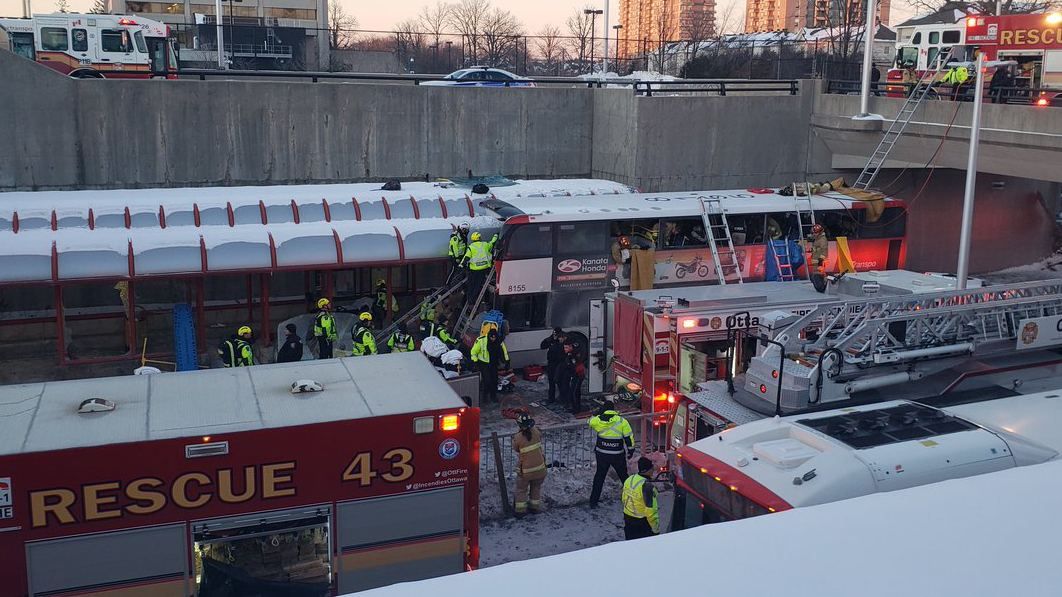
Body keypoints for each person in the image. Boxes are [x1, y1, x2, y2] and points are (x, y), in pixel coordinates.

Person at [588, 400, 634, 508]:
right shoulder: (622, 421)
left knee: (599, 477)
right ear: (613, 409)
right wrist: (630, 450)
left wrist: (596, 413)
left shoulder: (598, 420)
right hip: (617, 454)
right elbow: (629, 437)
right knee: (624, 476)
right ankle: (632, 499)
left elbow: (590, 421)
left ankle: (593, 502)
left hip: (602, 454)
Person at [512, 414, 547, 516]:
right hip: (540, 468)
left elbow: (516, 448)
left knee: (521, 490)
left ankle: (520, 511)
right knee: (536, 488)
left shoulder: (518, 437)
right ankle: (534, 508)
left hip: (526, 471)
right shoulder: (536, 432)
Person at [621, 457, 659, 540]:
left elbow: (624, 498)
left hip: (628, 518)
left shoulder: (630, 479)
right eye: (652, 468)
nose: (653, 470)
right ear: (647, 470)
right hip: (641, 523)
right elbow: (651, 512)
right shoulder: (647, 487)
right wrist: (656, 530)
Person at [471, 328, 508, 404]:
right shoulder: (481, 340)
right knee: (487, 381)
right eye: (491, 337)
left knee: (494, 380)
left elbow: (504, 352)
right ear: (489, 336)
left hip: (493, 364)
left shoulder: (499, 341)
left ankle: (493, 396)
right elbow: (473, 352)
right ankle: (485, 396)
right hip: (483, 363)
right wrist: (475, 361)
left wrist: (507, 361)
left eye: (494, 337)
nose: (493, 339)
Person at [461, 231, 497, 302]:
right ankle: (483, 300)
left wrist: (461, 265)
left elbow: (466, 258)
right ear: (480, 238)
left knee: (472, 285)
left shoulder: (471, 247)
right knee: (480, 284)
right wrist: (495, 236)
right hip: (485, 268)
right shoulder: (485, 244)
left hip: (474, 270)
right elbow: (492, 243)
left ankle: (471, 300)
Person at [540, 328, 567, 403]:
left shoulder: (563, 340)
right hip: (551, 363)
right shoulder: (551, 340)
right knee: (551, 382)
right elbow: (542, 346)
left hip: (559, 363)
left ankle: (563, 398)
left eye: (556, 335)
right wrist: (551, 339)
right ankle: (551, 398)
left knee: (560, 382)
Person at [558, 340, 585, 414]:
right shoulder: (570, 354)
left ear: (570, 347)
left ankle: (577, 409)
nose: (565, 349)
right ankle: (575, 407)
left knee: (574, 392)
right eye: (564, 347)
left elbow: (574, 366)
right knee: (574, 391)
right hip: (575, 375)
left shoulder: (574, 355)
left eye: (566, 347)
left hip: (578, 375)